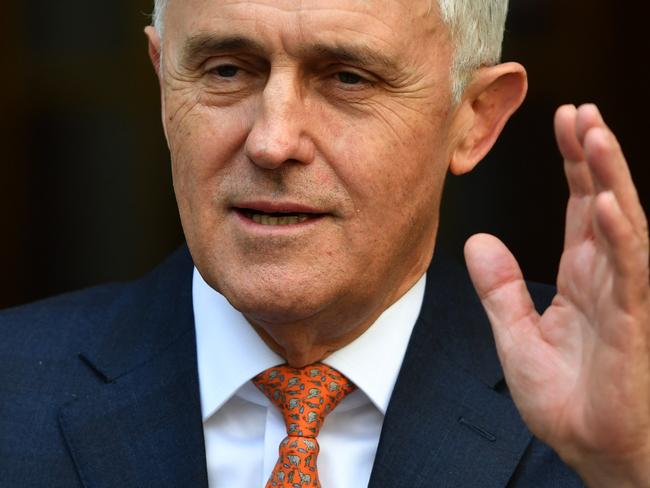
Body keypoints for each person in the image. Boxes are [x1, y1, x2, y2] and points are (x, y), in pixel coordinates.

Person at [1, 0, 649, 487]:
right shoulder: (13, 392)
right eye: (226, 69)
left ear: (474, 118)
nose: (273, 141)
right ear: (163, 80)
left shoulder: (611, 423)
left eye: (348, 78)